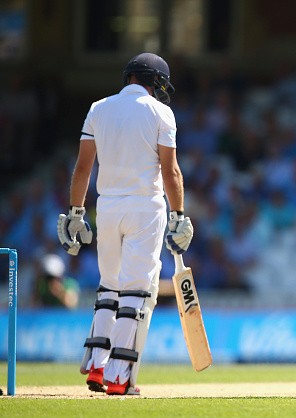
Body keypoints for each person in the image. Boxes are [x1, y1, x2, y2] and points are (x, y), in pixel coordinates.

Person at [57, 52, 194, 396]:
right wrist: (178, 215)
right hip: (145, 207)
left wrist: (75, 211)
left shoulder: (98, 108)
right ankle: (119, 376)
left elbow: (83, 167)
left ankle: (96, 366)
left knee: (109, 286)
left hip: (108, 207)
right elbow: (170, 171)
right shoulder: (161, 112)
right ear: (156, 82)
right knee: (135, 289)